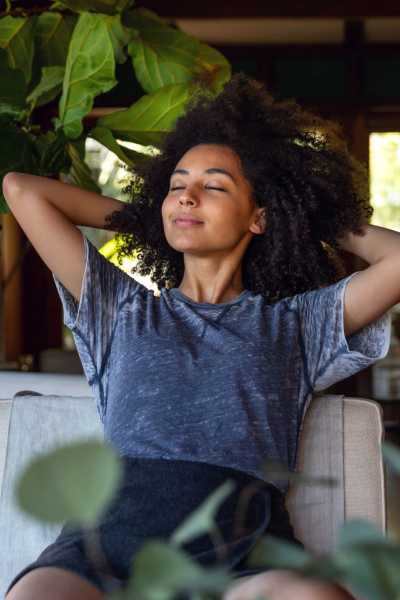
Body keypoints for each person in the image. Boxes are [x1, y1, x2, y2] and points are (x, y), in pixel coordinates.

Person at [3, 73, 391, 600]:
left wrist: (307, 216)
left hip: (240, 553)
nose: (186, 197)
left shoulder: (298, 324)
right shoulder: (119, 308)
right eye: (175, 185)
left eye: (213, 186)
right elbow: (21, 190)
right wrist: (150, 217)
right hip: (106, 545)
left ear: (258, 217)